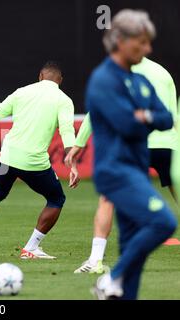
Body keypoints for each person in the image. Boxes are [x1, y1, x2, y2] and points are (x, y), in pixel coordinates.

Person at [86, 9, 176, 300]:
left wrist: (143, 114)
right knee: (164, 221)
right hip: (116, 171)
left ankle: (118, 283)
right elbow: (125, 123)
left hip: (135, 169)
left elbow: (166, 118)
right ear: (121, 41)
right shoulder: (103, 80)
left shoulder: (139, 81)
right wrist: (142, 115)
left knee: (132, 254)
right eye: (142, 43)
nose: (148, 49)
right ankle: (110, 277)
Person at [0, 61, 79, 259]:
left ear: (40, 76)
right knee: (56, 199)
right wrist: (72, 164)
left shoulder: (21, 92)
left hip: (8, 155)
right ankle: (31, 248)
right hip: (33, 161)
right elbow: (67, 132)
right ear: (59, 80)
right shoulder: (63, 100)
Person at [66, 56, 178, 274]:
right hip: (167, 143)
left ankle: (95, 260)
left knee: (108, 198)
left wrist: (79, 144)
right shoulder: (162, 72)